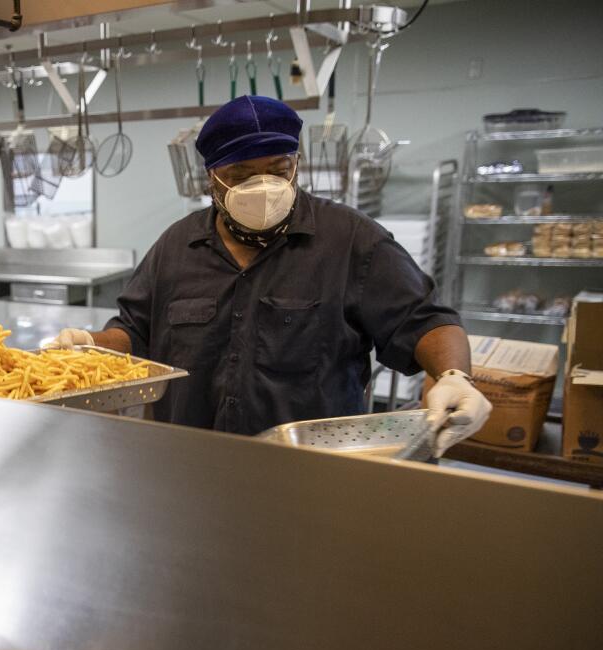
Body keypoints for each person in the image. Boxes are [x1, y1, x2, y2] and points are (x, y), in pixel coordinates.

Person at [52, 96, 490, 456]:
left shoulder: (352, 241)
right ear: (212, 180)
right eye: (240, 175)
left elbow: (426, 322)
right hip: (191, 461)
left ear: (295, 165)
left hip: (311, 471)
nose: (262, 187)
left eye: (277, 171)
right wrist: (90, 347)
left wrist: (455, 377)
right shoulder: (176, 247)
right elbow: (134, 332)